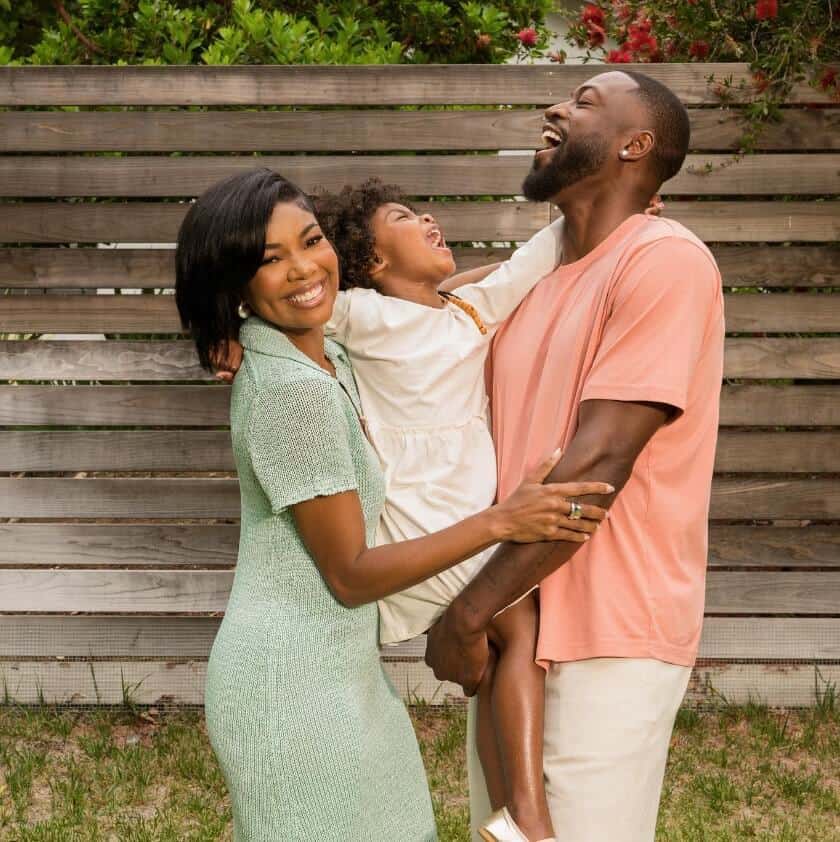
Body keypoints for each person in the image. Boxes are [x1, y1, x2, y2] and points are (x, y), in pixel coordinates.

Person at [175, 167, 611, 840]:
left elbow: (439, 305)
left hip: (337, 678)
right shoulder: (295, 390)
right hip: (292, 688)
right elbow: (349, 575)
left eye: (311, 240)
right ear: (236, 285)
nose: (303, 267)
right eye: (269, 260)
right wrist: (503, 519)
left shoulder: (325, 356)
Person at [425, 69, 725, 842]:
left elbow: (600, 460)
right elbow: (413, 328)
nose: (556, 107)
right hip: (513, 622)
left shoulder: (665, 261)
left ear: (637, 144)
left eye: (586, 100)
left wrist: (468, 610)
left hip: (609, 630)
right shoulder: (539, 279)